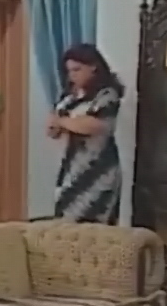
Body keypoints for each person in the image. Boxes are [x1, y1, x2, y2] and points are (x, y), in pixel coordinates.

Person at [48, 43, 125, 225]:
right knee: (66, 219)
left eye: (77, 69)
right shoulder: (69, 97)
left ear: (93, 67)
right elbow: (53, 128)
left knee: (94, 222)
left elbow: (95, 126)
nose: (72, 75)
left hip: (99, 168)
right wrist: (58, 125)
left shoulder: (106, 95)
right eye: (69, 71)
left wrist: (64, 121)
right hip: (72, 167)